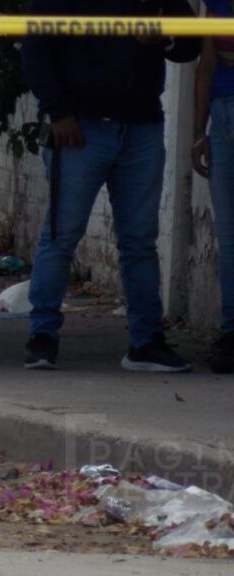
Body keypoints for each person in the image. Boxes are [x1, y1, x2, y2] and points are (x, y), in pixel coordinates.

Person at [20, 0, 200, 372]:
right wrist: (58, 112)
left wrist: (162, 39)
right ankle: (42, 337)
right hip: (81, 127)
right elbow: (36, 49)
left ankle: (146, 342)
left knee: (139, 241)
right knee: (62, 234)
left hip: (141, 126)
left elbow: (191, 43)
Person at [193, 2, 234, 374]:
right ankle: (231, 333)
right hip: (223, 115)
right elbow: (209, 61)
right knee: (229, 235)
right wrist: (197, 132)